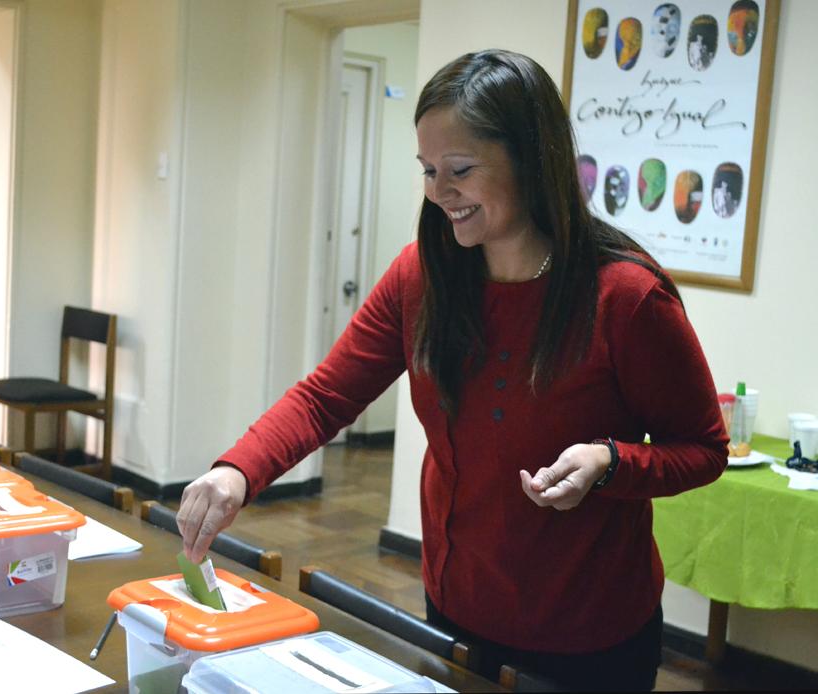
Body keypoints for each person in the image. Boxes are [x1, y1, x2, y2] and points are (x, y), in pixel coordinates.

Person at [176, 49, 727, 691]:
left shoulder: (625, 298)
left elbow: (705, 449)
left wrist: (611, 461)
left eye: (460, 170)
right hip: (456, 607)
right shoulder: (423, 275)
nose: (439, 193)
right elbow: (328, 396)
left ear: (530, 157)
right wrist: (237, 470)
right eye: (430, 170)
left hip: (589, 632)